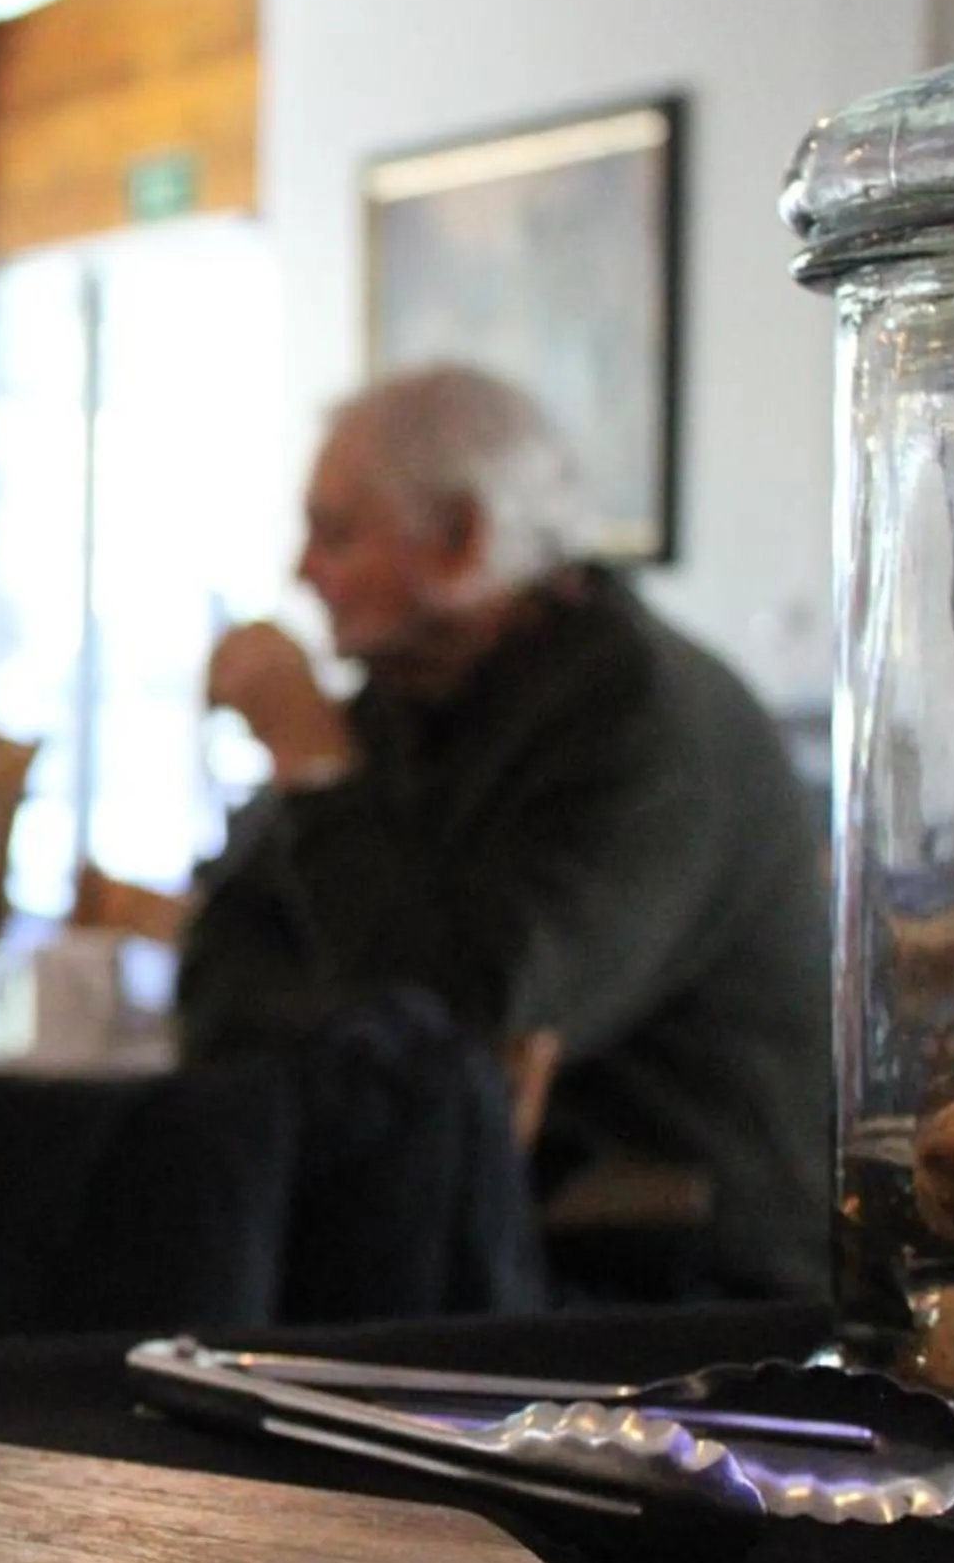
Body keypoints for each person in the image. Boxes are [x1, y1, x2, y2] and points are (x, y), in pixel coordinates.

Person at [180, 363, 829, 1301]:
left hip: (675, 1279)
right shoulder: (415, 696)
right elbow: (223, 969)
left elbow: (461, 1012)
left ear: (460, 538)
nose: (302, 572)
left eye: (336, 533)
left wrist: (316, 765)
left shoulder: (642, 721)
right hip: (468, 1226)